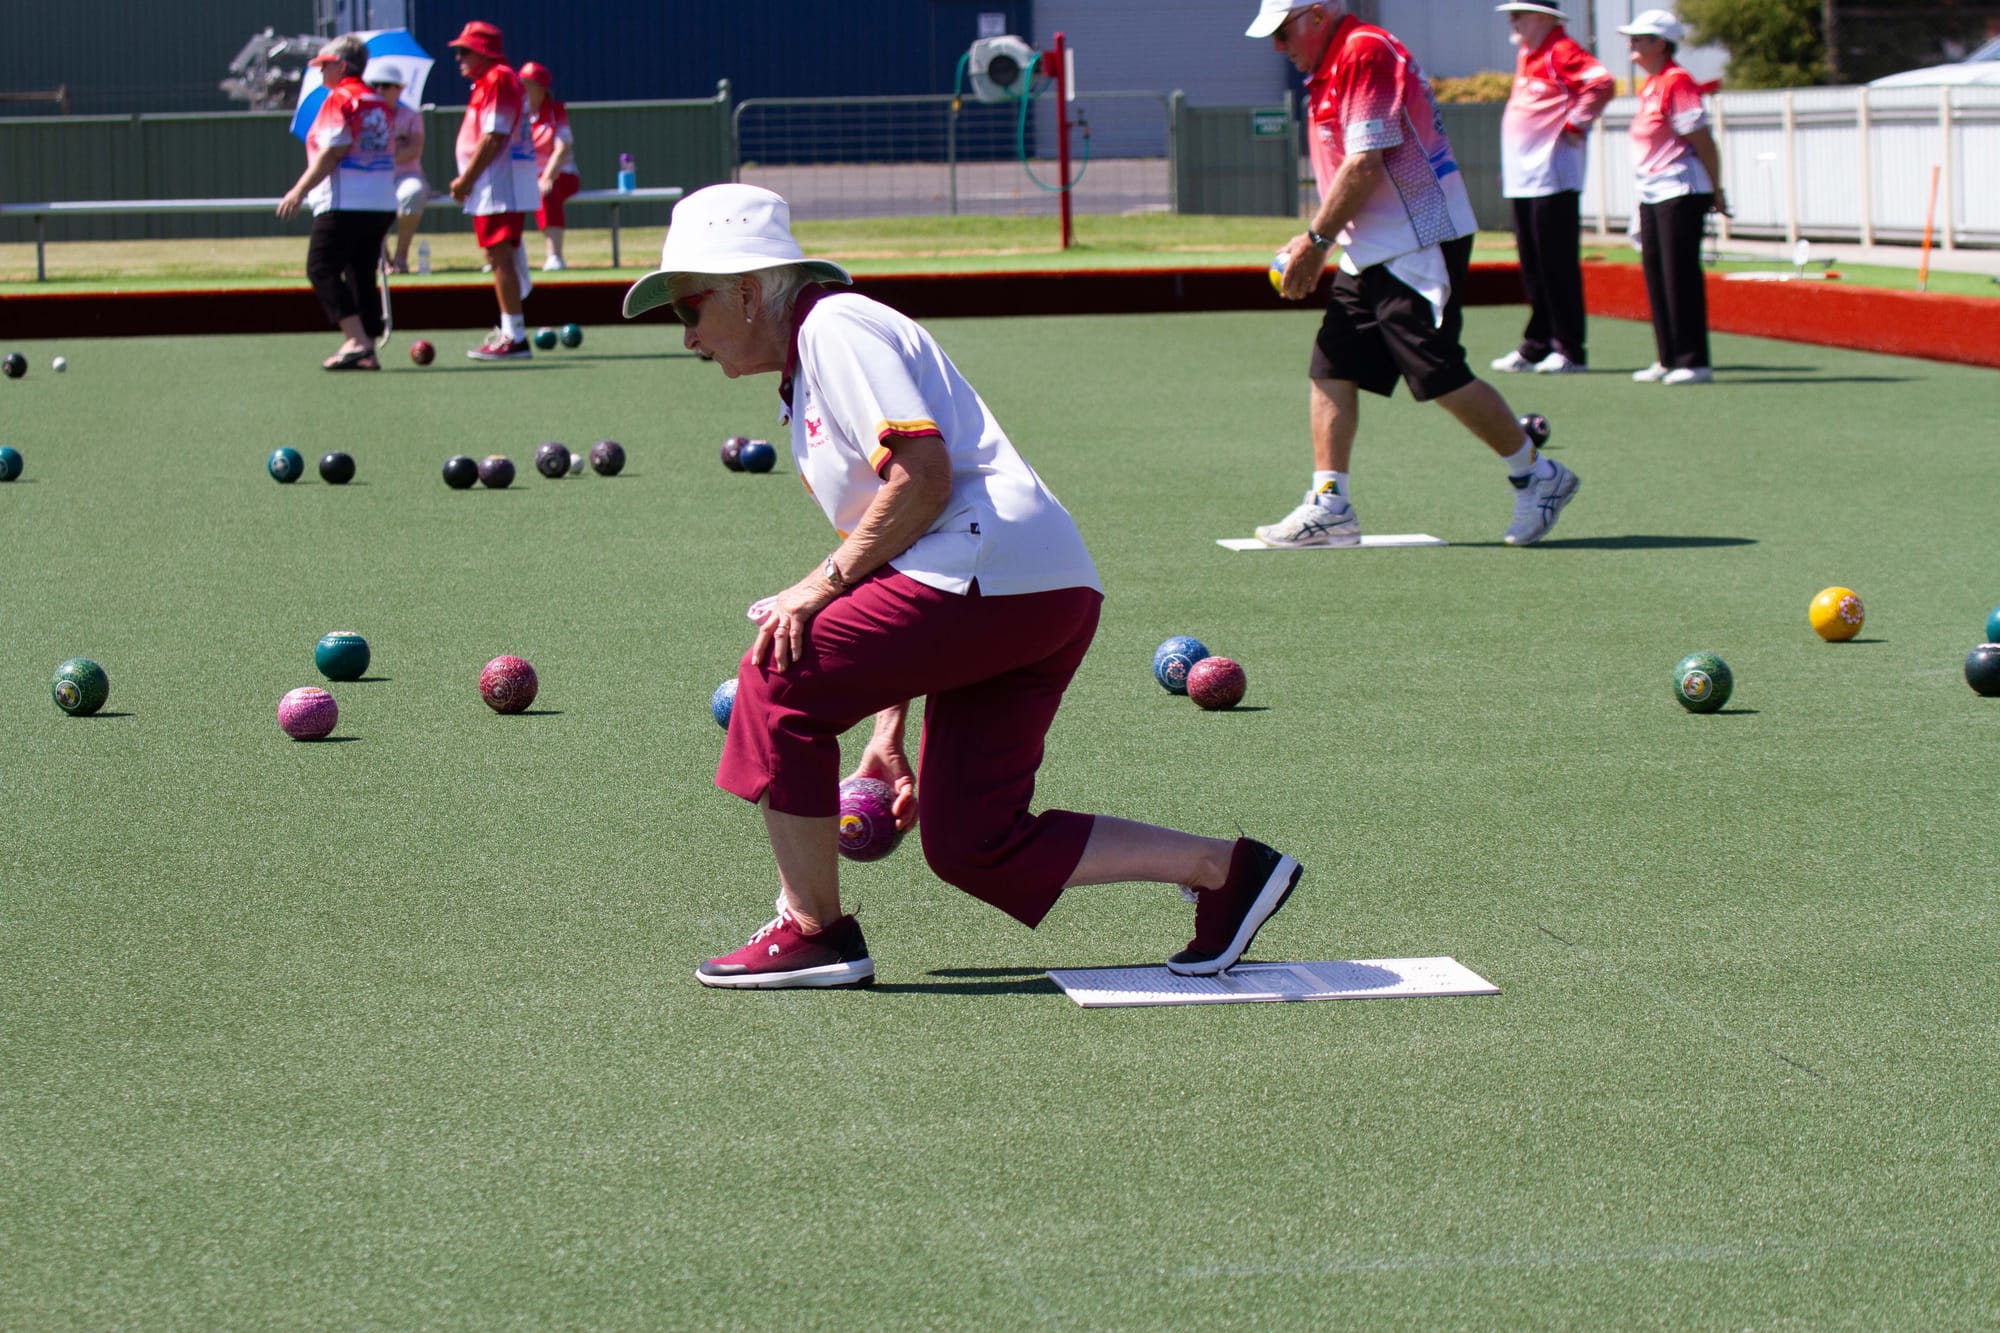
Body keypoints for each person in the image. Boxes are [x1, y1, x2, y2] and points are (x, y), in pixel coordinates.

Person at [622, 183, 1304, 989]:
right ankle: (1229, 870)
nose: (688, 336)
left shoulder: (835, 327)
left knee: (776, 679)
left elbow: (922, 480)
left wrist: (815, 584)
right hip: (1030, 585)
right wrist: (886, 731)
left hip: (988, 570)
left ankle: (814, 931)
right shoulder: (810, 364)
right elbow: (891, 546)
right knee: (971, 841)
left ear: (745, 289)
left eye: (687, 308)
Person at [1248, 0, 1581, 548]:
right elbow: (1345, 170)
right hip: (1371, 244)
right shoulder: (1328, 68)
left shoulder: (1364, 51)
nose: (1278, 48)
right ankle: (1330, 504)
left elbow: (1365, 162)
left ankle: (1538, 476)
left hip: (1418, 235)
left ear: (1315, 15)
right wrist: (1314, 237)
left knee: (1439, 375)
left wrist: (1315, 243)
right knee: (1331, 364)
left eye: (1282, 33)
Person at [1491, 1, 1614, 375]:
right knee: (1532, 265)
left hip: (1552, 178)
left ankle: (1570, 348)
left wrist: (1575, 125)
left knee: (1556, 264)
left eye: (1519, 13)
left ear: (1544, 18)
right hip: (1525, 180)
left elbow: (1601, 83)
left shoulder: (1561, 49)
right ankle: (1537, 343)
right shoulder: (1529, 53)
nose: (1511, 20)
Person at [276, 35, 397, 371]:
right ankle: (367, 349)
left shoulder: (340, 98)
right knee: (360, 272)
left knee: (321, 267)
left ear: (342, 66)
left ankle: (356, 339)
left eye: (325, 65)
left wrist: (298, 190)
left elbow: (332, 151)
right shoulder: (377, 100)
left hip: (346, 201)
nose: (320, 71)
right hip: (381, 201)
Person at [1621, 9, 1728, 385]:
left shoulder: (1678, 81)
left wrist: (1717, 189)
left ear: (1661, 44)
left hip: (1680, 189)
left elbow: (1702, 140)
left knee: (1678, 274)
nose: (1632, 44)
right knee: (1656, 273)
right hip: (1652, 190)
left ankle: (1693, 361)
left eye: (1640, 38)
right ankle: (1667, 357)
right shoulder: (1651, 83)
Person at [446, 20, 541, 361]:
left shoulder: (497, 78)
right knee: (498, 256)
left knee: (499, 256)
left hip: (497, 186)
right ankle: (511, 331)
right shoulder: (491, 80)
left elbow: (494, 135)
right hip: (496, 186)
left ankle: (514, 336)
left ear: (483, 52)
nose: (458, 57)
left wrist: (466, 180)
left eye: (464, 51)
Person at [366, 59, 428, 275]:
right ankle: (382, 258)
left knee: (413, 193)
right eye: (375, 85)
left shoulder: (411, 115)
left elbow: (413, 151)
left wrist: (384, 155)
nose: (379, 90)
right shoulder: (366, 115)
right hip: (374, 177)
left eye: (386, 85)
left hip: (406, 175)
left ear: (399, 89)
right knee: (368, 201)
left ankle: (401, 257)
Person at [520, 62, 581, 272]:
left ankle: (554, 255)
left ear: (541, 89)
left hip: (561, 175)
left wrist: (547, 177)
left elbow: (562, 148)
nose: (522, 88)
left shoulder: (556, 112)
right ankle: (502, 257)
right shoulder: (518, 113)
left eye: (527, 84)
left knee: (547, 192)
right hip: (527, 176)